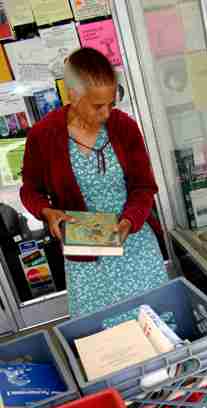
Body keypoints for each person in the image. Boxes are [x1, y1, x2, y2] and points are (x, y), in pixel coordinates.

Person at [20, 47, 168, 318]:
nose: (107, 114)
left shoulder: (124, 127)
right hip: (85, 258)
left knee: (155, 327)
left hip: (134, 246)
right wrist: (47, 212)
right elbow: (30, 189)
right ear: (73, 95)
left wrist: (128, 222)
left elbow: (143, 187)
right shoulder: (43, 136)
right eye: (98, 106)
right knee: (105, 341)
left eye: (111, 103)